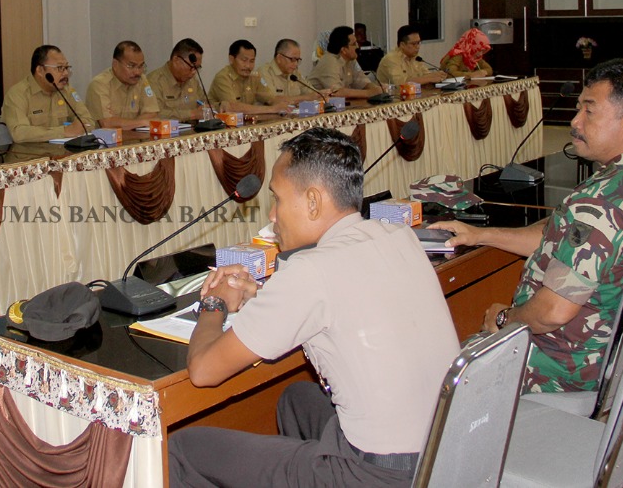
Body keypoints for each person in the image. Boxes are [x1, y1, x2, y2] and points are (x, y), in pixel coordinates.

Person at [168, 127, 458, 487]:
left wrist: (214, 303)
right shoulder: (397, 235)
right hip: (444, 452)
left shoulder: (311, 271)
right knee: (296, 399)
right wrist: (261, 297)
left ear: (313, 202)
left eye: (277, 199)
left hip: (378, 475)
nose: (273, 215)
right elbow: (344, 299)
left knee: (183, 449)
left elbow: (203, 371)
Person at [430, 58, 623, 392]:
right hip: (606, 352)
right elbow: (555, 236)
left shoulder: (600, 202)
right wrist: (481, 234)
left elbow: (552, 312)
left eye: (589, 111)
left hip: (556, 362)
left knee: (430, 376)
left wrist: (504, 318)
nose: (575, 121)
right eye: (578, 108)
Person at [1, 45, 95, 151]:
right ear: (40, 70)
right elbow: (19, 133)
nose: (65, 73)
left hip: (62, 155)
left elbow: (88, 121)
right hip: (29, 157)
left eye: (66, 68)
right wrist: (64, 131)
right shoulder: (18, 94)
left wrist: (79, 127)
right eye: (59, 68)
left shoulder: (66, 91)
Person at [84, 40, 160, 129]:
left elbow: (152, 114)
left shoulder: (141, 80)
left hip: (133, 137)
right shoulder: (99, 84)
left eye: (140, 66)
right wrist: (141, 122)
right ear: (115, 64)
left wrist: (130, 124)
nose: (137, 72)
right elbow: (107, 123)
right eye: (131, 66)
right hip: (104, 138)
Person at [209, 40, 287, 115]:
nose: (248, 66)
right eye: (244, 60)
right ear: (231, 59)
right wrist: (272, 109)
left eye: (252, 61)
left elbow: (270, 99)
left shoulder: (255, 76)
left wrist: (281, 106)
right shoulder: (222, 77)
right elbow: (232, 107)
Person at [306, 26, 380, 99]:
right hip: (314, 105)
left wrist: (378, 90)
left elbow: (363, 83)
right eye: (354, 44)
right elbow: (336, 92)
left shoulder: (351, 60)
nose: (357, 46)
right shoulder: (329, 62)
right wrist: (368, 93)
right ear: (344, 50)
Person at [146, 38, 208, 121]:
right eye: (192, 67)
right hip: (167, 129)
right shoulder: (154, 81)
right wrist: (192, 114)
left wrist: (217, 106)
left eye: (197, 68)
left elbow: (204, 103)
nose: (194, 72)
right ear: (176, 60)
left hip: (194, 128)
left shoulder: (192, 81)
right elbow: (154, 115)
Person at [375, 25, 448, 88]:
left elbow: (426, 74)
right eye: (413, 44)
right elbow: (401, 84)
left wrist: (437, 75)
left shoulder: (416, 58)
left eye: (418, 43)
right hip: (392, 97)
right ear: (402, 45)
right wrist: (430, 78)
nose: (417, 47)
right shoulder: (391, 59)